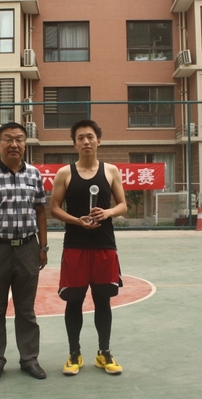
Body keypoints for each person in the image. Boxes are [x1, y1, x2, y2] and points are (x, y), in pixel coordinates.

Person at [0, 122, 49, 382]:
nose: (14, 144)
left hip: (28, 248)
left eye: (19, 139)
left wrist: (43, 247)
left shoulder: (34, 175)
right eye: (8, 139)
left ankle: (29, 359)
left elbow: (41, 212)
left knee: (26, 309)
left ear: (25, 143)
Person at [50, 119, 127, 376]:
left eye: (90, 137)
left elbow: (122, 205)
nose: (86, 141)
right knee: (74, 301)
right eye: (81, 137)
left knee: (103, 300)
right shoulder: (65, 173)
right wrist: (77, 221)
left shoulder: (111, 171)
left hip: (104, 245)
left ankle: (104, 352)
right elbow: (54, 208)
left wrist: (107, 213)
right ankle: (74, 353)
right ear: (74, 144)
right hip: (75, 246)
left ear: (98, 141)